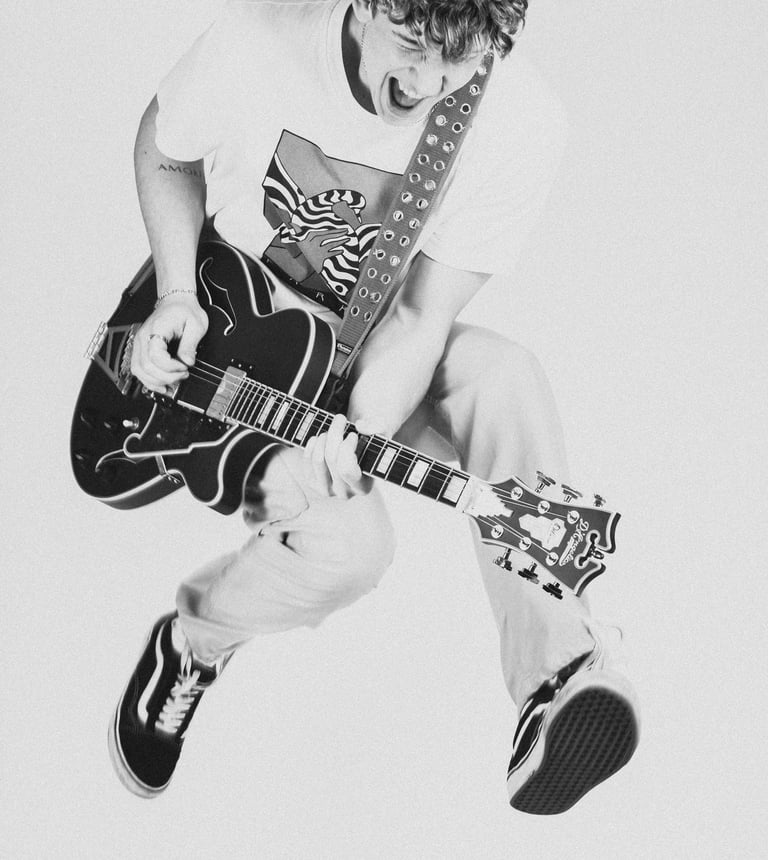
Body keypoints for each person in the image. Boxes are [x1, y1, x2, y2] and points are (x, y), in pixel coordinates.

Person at [108, 0, 640, 815]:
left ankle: (557, 673)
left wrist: (359, 437)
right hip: (231, 340)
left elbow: (422, 319)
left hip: (369, 341)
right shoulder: (260, 41)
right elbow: (164, 144)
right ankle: (190, 643)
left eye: (457, 63)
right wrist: (176, 291)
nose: (425, 81)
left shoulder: (521, 118)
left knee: (506, 379)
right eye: (412, 40)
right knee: (353, 551)